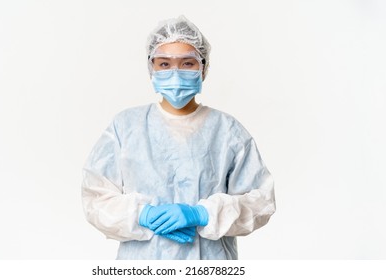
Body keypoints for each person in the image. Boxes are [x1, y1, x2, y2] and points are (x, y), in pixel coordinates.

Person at [81, 15, 275, 260]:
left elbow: (261, 202)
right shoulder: (125, 127)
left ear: (203, 68)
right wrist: (142, 215)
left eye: (187, 63)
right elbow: (95, 198)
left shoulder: (228, 131)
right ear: (151, 68)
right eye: (164, 64)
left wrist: (202, 214)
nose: (175, 73)